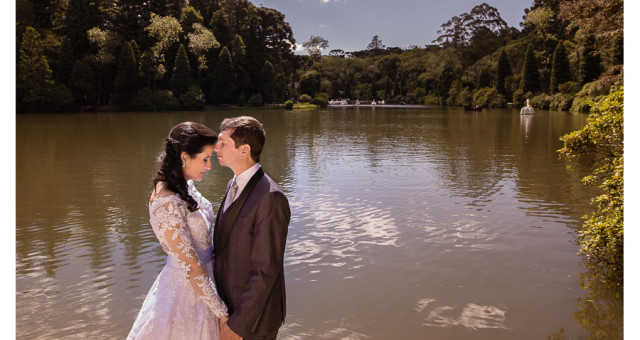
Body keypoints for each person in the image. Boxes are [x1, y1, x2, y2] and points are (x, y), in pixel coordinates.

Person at [128, 122, 229, 340]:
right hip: (187, 292)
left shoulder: (183, 186)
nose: (209, 166)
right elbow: (192, 268)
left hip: (207, 282)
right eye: (205, 159)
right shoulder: (167, 202)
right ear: (184, 157)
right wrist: (222, 313)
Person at [213, 116, 290, 340]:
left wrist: (238, 325)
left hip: (253, 323)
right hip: (228, 309)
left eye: (223, 143)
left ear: (244, 150)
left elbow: (265, 271)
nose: (216, 148)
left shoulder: (271, 198)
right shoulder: (232, 184)